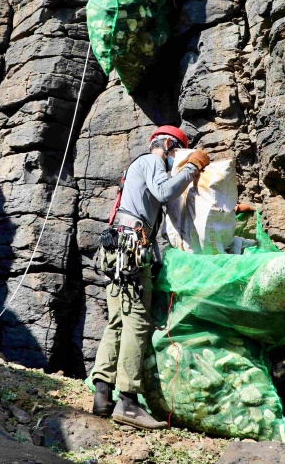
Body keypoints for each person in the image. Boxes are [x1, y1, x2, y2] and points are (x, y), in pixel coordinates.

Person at [90, 125, 211, 430]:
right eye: (177, 154)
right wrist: (192, 167)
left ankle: (102, 394)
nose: (176, 161)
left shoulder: (139, 168)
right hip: (131, 249)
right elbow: (165, 192)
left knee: (117, 321)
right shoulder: (152, 161)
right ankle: (128, 402)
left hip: (117, 248)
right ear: (169, 145)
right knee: (137, 323)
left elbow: (174, 208)